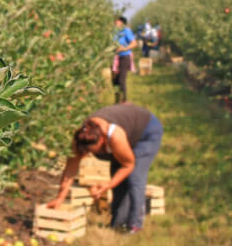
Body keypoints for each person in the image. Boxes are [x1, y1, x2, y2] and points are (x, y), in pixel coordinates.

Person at [46, 103, 164, 232]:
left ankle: (135, 224)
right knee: (117, 176)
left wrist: (107, 185)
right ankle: (117, 224)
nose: (98, 154)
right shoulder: (81, 138)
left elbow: (128, 166)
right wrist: (60, 198)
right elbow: (70, 171)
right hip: (126, 133)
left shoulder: (115, 136)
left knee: (135, 177)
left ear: (102, 139)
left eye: (100, 150)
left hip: (146, 132)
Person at [112, 15, 138, 102]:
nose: (115, 22)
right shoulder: (113, 32)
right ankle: (117, 100)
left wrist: (125, 48)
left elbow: (134, 43)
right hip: (114, 58)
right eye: (115, 21)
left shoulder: (126, 31)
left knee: (121, 79)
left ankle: (124, 100)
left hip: (124, 57)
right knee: (115, 80)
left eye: (117, 21)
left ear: (122, 22)